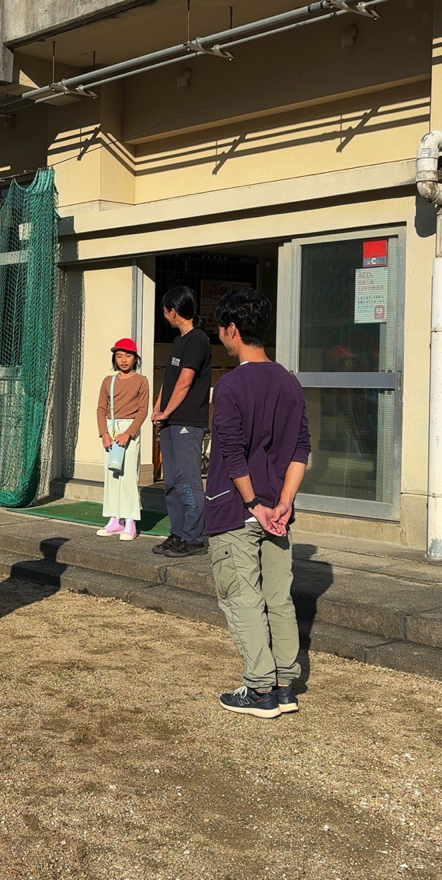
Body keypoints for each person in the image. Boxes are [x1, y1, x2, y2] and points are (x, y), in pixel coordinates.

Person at [206, 289, 310, 719]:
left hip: (237, 508)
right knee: (278, 598)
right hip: (277, 510)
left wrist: (253, 503)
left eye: (221, 329)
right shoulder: (289, 381)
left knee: (241, 597)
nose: (221, 336)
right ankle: (285, 685)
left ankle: (260, 689)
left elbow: (231, 452)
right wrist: (283, 502)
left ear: (232, 329)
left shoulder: (229, 384)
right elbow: (301, 448)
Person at [151, 286, 213, 558]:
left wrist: (167, 412)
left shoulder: (197, 340)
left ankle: (194, 537)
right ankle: (178, 533)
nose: (164, 314)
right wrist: (158, 408)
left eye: (165, 310)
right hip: (170, 421)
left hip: (188, 421)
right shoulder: (179, 341)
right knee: (172, 481)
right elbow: (170, 379)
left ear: (173, 312)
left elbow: (186, 381)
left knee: (188, 481)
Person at [96, 338, 149, 542]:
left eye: (128, 355)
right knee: (111, 475)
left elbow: (142, 411)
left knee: (128, 476)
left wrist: (129, 433)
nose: (124, 360)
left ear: (135, 358)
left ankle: (130, 521)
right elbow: (101, 409)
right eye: (119, 356)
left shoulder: (142, 381)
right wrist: (104, 433)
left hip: (129, 429)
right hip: (110, 428)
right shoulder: (108, 381)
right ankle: (114, 519)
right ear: (114, 358)